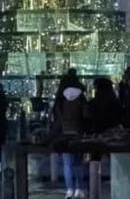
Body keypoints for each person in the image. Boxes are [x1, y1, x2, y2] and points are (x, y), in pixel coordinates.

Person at [53, 70, 88, 199]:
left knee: (67, 162)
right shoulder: (81, 96)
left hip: (64, 132)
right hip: (78, 131)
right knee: (78, 162)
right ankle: (79, 189)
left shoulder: (60, 97)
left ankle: (69, 190)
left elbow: (56, 116)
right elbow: (86, 114)